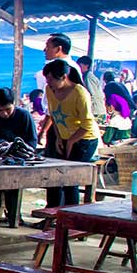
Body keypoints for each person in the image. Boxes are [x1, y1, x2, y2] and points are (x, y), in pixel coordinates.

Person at [42, 58, 99, 207]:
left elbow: (87, 124)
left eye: (51, 79)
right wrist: (59, 138)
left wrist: (71, 141)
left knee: (70, 180)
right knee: (54, 177)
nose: (48, 83)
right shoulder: (50, 90)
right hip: (64, 136)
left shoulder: (80, 93)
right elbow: (54, 116)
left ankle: (70, 217)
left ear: (64, 77)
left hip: (84, 140)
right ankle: (52, 214)